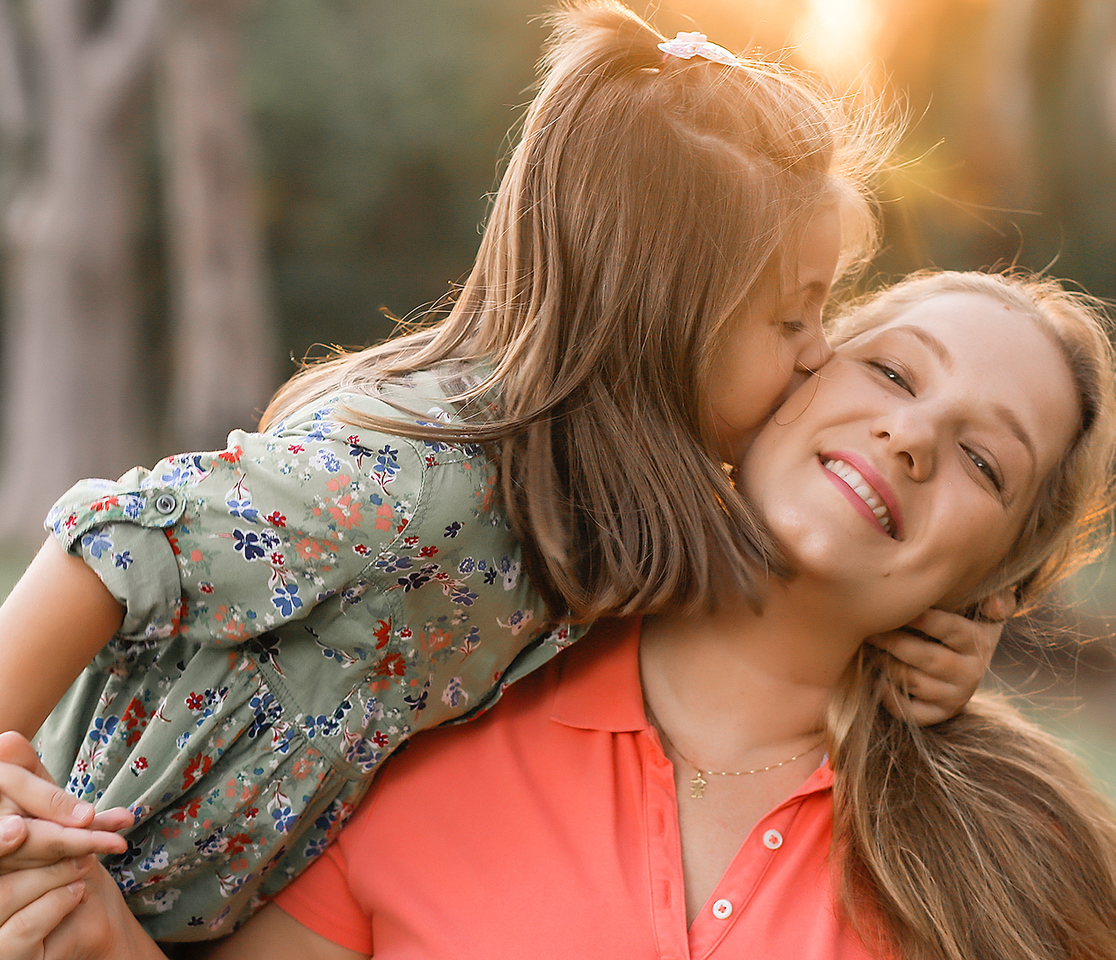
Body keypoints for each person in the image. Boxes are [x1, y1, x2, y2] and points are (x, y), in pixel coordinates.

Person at [0, 1, 1005, 943]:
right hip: (91, 869)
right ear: (663, 325)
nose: (816, 352)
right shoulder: (426, 491)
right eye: (792, 317)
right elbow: (121, 535)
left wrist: (943, 641)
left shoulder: (613, 498)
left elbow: (782, 594)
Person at [1, 271, 1116, 960]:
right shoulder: (439, 687)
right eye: (891, 371)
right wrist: (94, 938)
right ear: (787, 376)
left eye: (986, 462)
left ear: (994, 588)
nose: (916, 435)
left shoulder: (1020, 855)